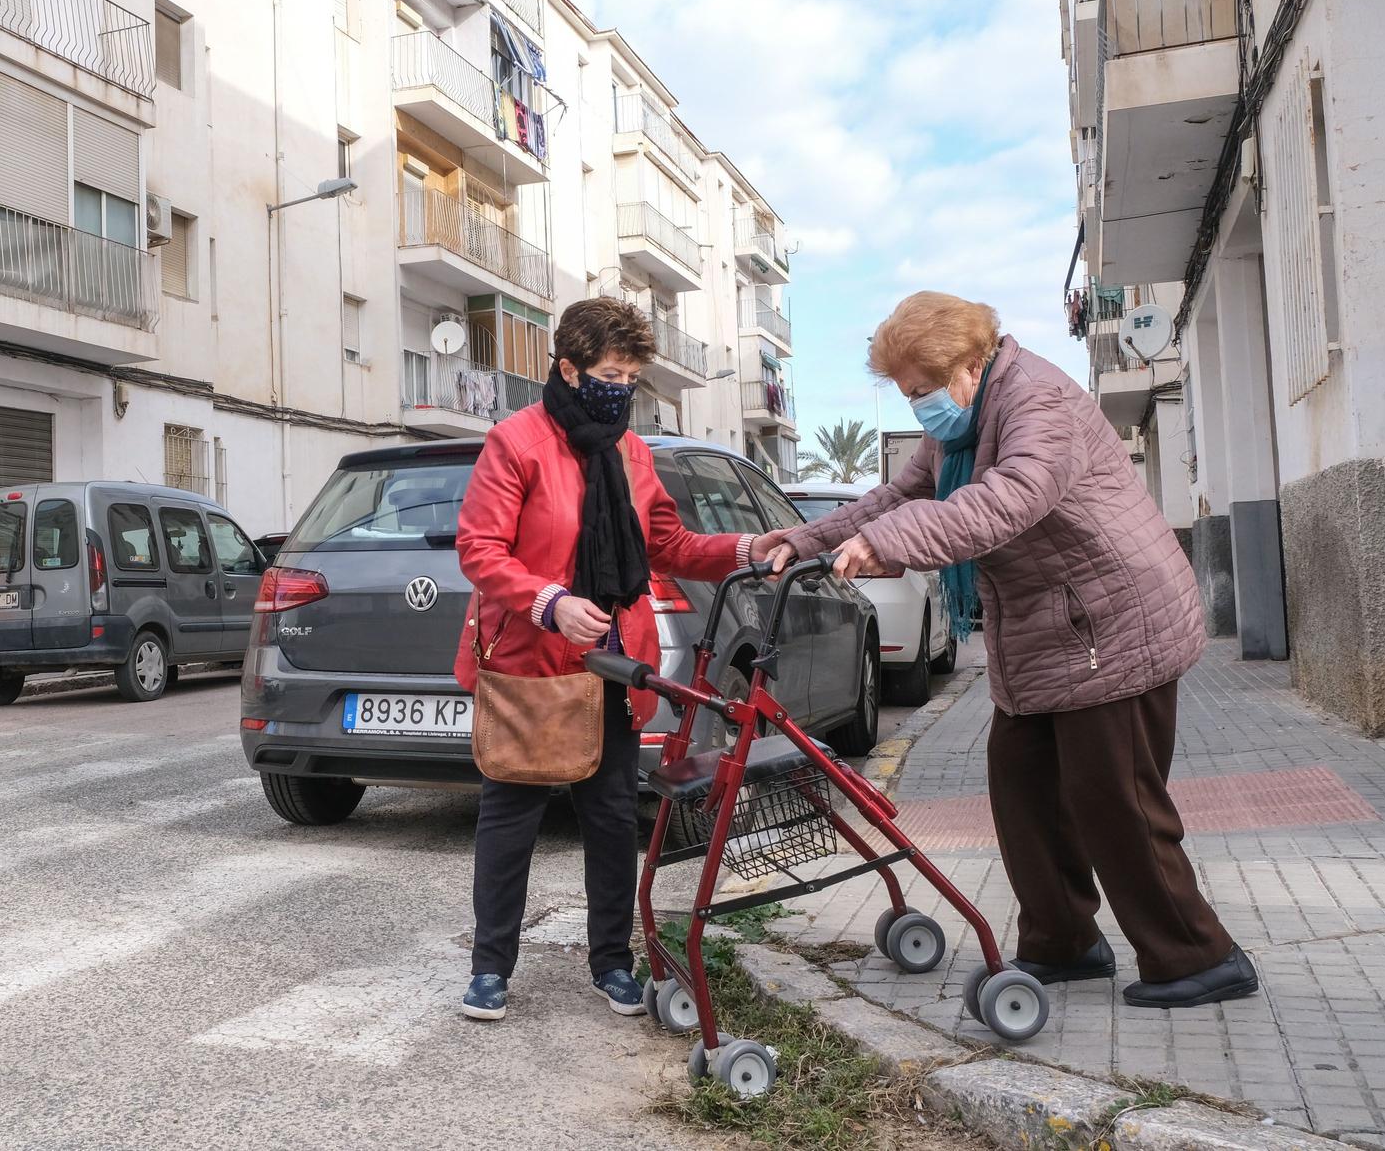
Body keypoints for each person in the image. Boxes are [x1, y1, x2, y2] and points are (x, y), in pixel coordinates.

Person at [781, 292, 1257, 1009]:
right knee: (1023, 788)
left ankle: (1198, 955)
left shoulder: (1038, 401)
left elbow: (1012, 496)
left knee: (1116, 800)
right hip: (1044, 629)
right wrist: (802, 540)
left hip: (1111, 620)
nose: (920, 409)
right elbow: (898, 493)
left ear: (970, 364)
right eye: (908, 395)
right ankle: (1063, 944)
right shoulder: (965, 423)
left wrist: (893, 545)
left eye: (923, 390)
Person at [451, 297, 797, 1022]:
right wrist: (549, 601)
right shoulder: (515, 442)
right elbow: (480, 550)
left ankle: (611, 961)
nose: (624, 387)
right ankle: (490, 969)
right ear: (569, 368)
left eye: (633, 375)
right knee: (509, 816)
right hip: (531, 663)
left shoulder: (632, 451)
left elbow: (667, 544)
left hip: (612, 667)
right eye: (613, 372)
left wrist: (743, 550)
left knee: (611, 818)